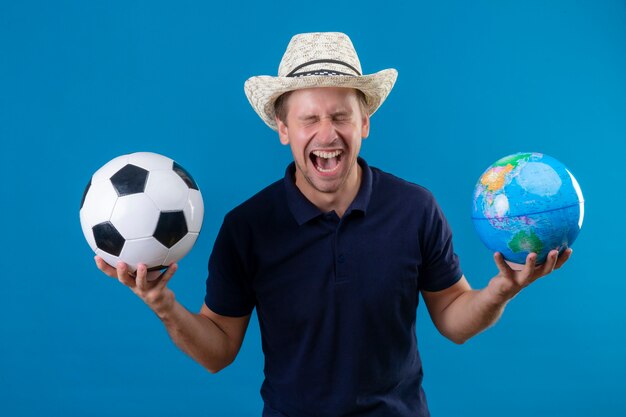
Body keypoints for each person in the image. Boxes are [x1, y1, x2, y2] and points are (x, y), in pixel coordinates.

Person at [95, 32, 572, 417]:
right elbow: (217, 349)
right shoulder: (247, 227)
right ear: (283, 130)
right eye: (310, 119)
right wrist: (163, 305)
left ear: (365, 123)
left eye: (342, 116)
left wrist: (501, 291)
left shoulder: (415, 209)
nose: (328, 134)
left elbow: (454, 318)